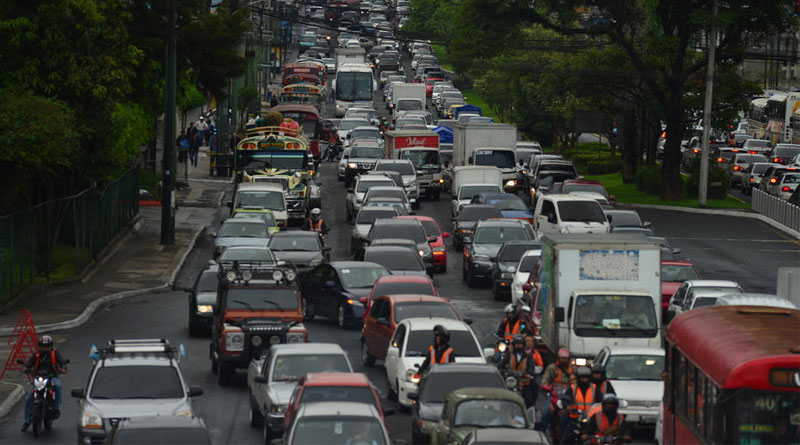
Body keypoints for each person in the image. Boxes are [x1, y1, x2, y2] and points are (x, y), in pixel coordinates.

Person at [21, 336, 68, 432]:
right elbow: (29, 364)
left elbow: (62, 362)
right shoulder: (36, 355)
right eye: (43, 346)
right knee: (29, 396)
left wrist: (63, 368)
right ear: (39, 346)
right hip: (38, 378)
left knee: (58, 386)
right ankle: (27, 421)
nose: (45, 348)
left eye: (47, 346)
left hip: (52, 377)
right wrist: (25, 368)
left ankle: (56, 408)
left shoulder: (55, 354)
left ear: (51, 346)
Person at [560, 366, 597, 444]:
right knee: (566, 439)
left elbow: (601, 401)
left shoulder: (594, 388)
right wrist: (567, 406)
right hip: (575, 419)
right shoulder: (572, 388)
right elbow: (565, 399)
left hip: (591, 420)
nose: (584, 380)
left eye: (586, 378)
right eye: (582, 378)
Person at [497, 335, 536, 408]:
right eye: (517, 344)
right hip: (510, 382)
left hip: (523, 382)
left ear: (523, 345)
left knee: (530, 400)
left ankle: (530, 412)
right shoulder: (509, 354)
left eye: (520, 344)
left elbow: (531, 367)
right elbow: (501, 364)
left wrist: (528, 373)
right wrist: (501, 370)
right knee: (501, 397)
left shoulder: (528, 356)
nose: (518, 346)